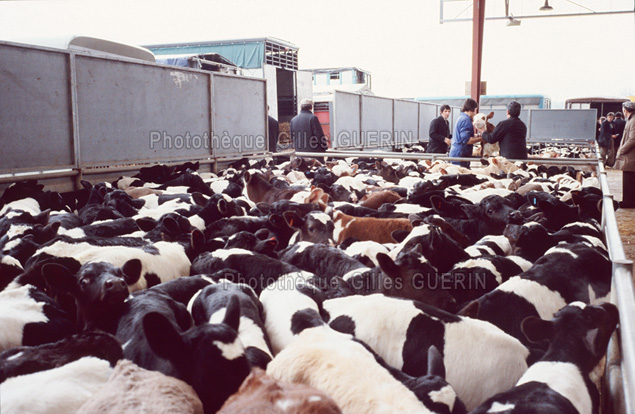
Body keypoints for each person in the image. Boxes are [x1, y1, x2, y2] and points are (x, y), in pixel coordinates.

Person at [449, 98, 482, 168]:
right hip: (460, 156)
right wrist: (482, 138)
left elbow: (463, 136)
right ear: (471, 109)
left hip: (457, 154)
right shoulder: (466, 120)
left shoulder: (461, 118)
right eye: (475, 110)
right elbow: (467, 140)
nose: (475, 113)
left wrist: (476, 136)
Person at [614, 101, 635, 208]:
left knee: (629, 180)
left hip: (631, 157)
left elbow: (632, 139)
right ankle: (627, 201)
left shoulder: (633, 120)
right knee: (629, 180)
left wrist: (621, 150)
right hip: (630, 156)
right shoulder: (630, 120)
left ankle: (629, 202)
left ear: (625, 110)